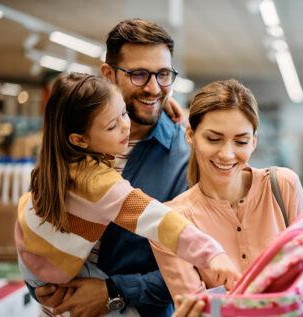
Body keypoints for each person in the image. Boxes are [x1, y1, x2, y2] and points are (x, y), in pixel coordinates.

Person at [16, 72, 241, 315]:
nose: (126, 126)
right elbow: (159, 220)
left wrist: (163, 105)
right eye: (112, 125)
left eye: (124, 112)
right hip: (57, 278)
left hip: (33, 259)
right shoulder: (97, 182)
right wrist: (212, 254)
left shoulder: (57, 162)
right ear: (79, 139)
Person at [29, 19, 191, 317]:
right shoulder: (73, 141)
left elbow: (196, 269)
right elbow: (40, 218)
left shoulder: (184, 158)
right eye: (139, 74)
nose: (154, 88)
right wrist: (37, 283)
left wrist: (114, 291)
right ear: (108, 74)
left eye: (164, 74)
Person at [151, 80, 303, 316]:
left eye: (241, 141)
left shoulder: (283, 186)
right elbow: (198, 311)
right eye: (213, 139)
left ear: (254, 141)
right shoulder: (172, 223)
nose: (227, 153)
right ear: (191, 135)